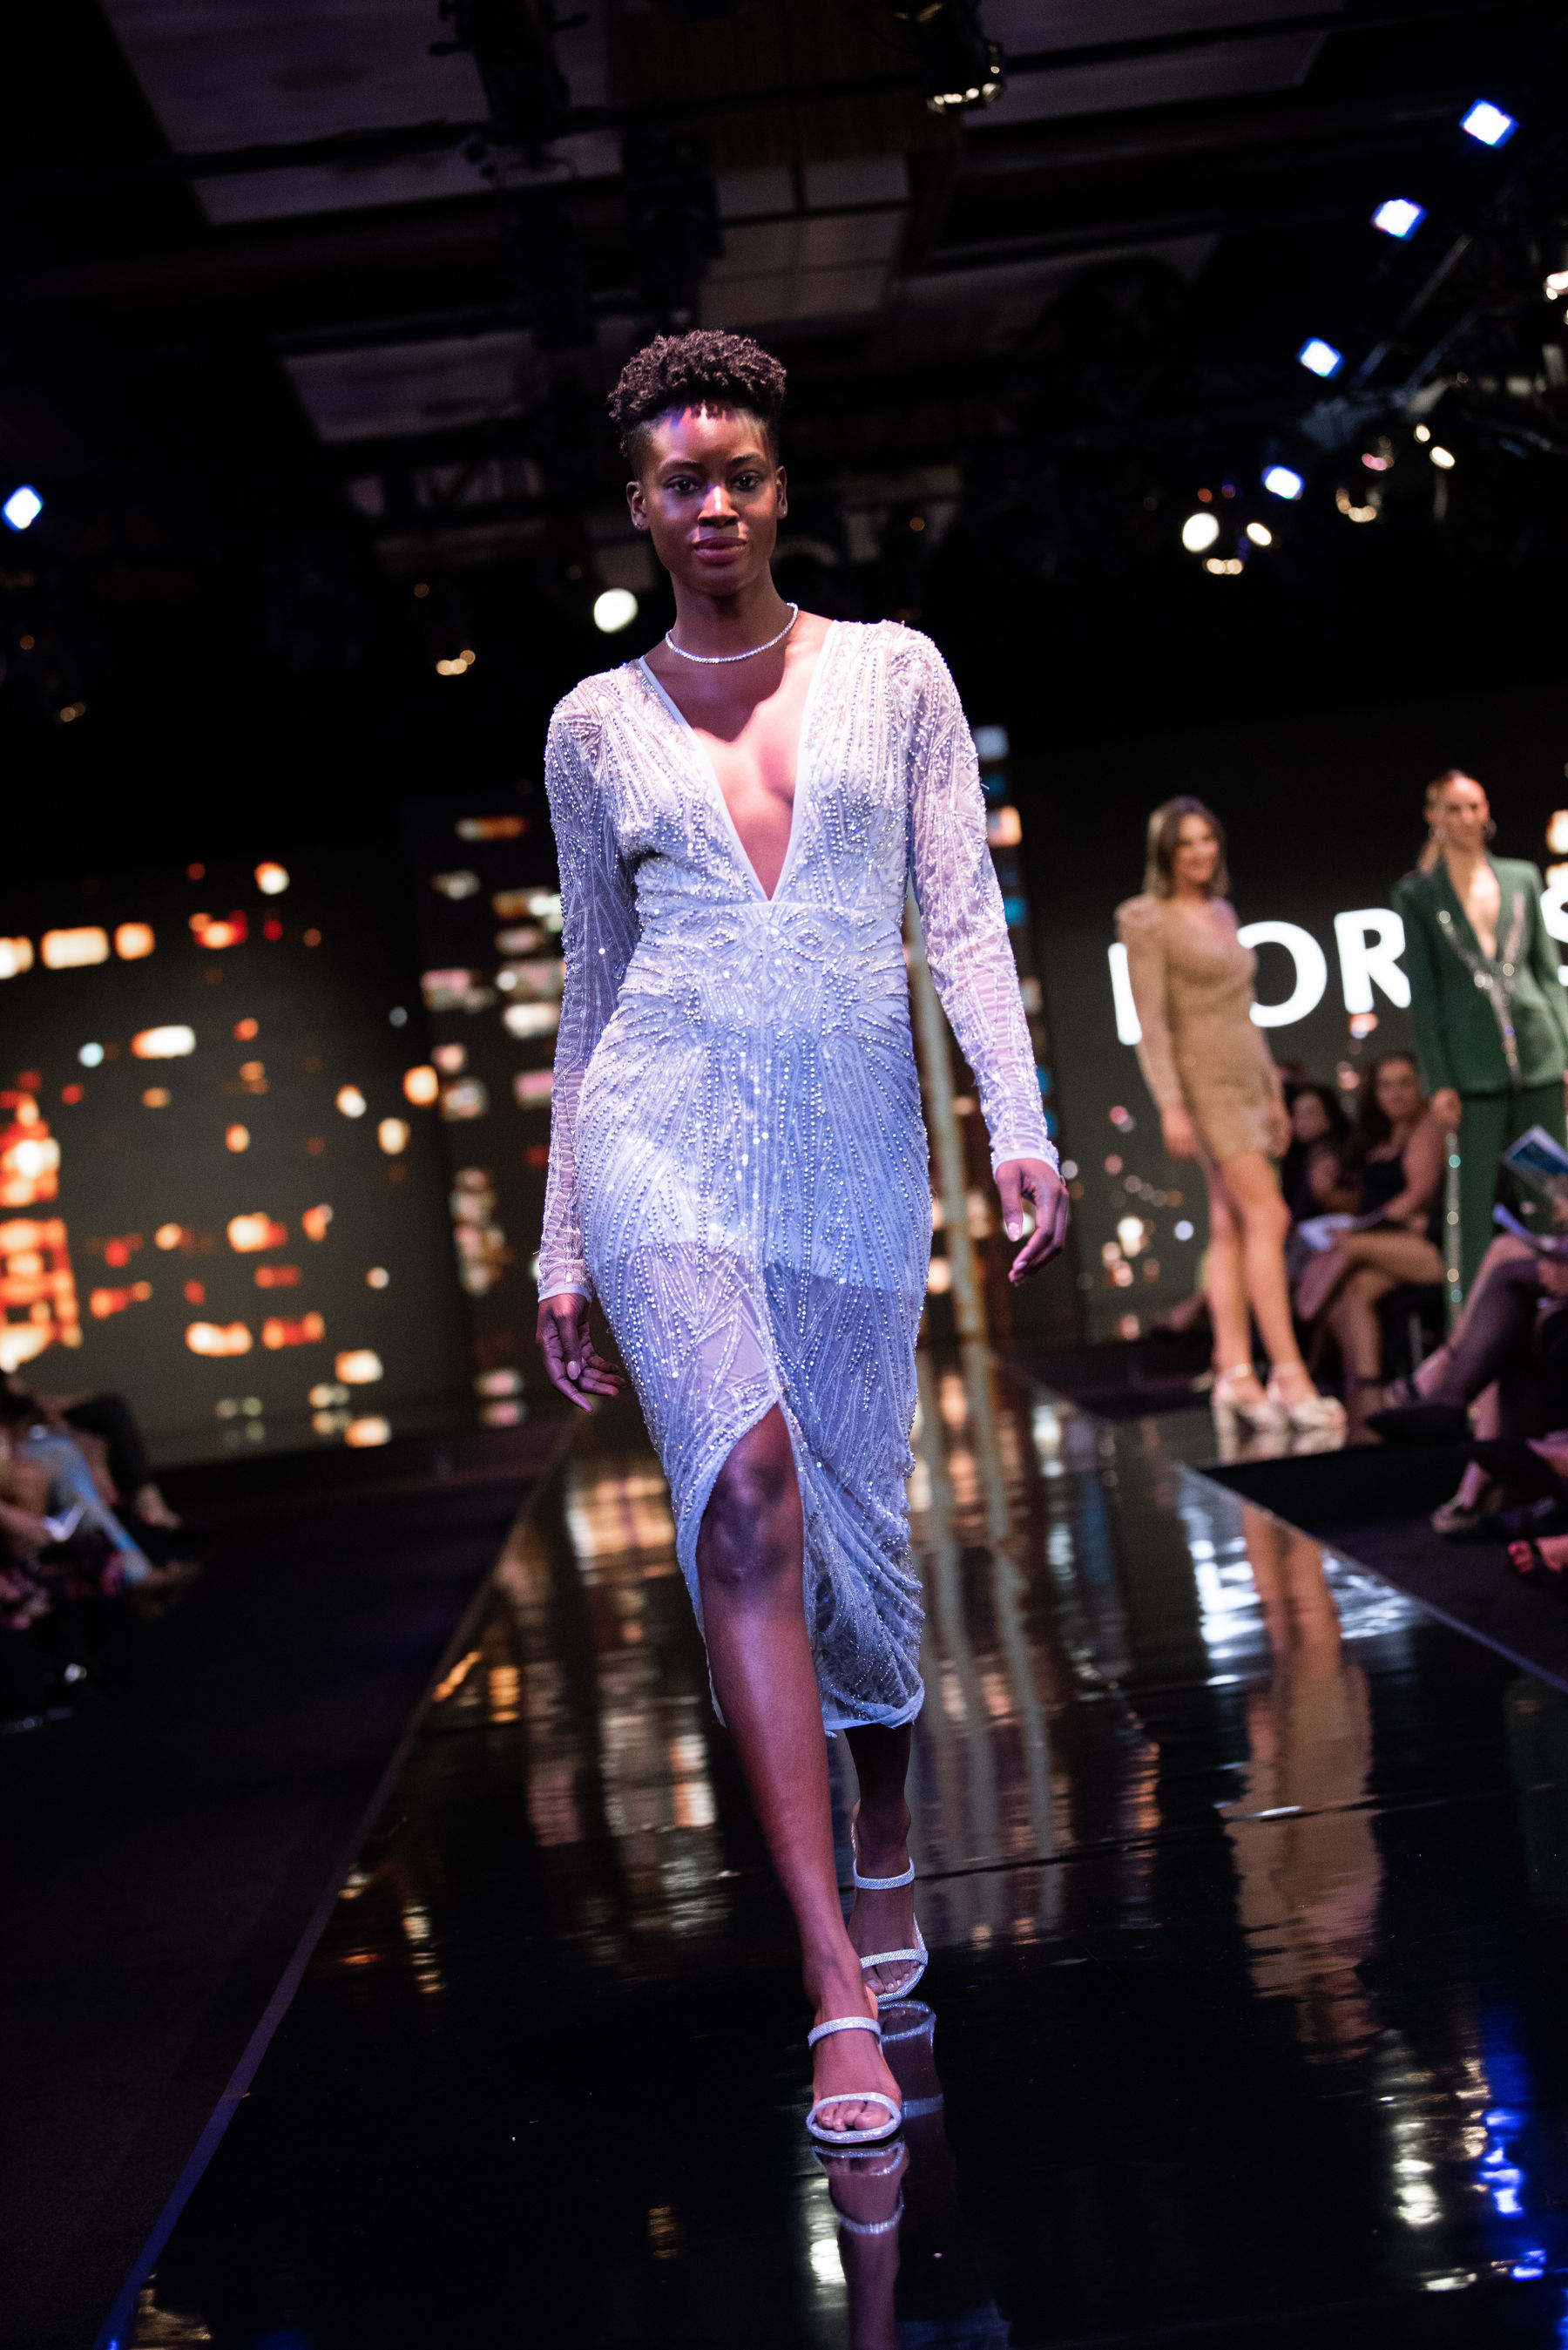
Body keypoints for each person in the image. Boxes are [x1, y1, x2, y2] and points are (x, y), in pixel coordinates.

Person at [532, 330, 1067, 2145]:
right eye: (680, 480)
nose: (715, 505)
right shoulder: (592, 726)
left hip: (854, 1153)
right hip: (659, 1139)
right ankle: (833, 1971)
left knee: (860, 1532)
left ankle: (889, 1814)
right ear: (638, 504)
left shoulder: (895, 671)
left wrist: (1020, 1121)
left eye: (741, 474)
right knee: (746, 1496)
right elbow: (591, 987)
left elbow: (963, 916)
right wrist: (560, 1240)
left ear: (781, 485)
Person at [1116, 800, 1343, 1440]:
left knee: (1231, 1224)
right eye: (1186, 843)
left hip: (1247, 1076)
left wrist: (1273, 1093)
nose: (1200, 852)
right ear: (1165, 852)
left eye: (1207, 839)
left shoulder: (1222, 912)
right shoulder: (1146, 919)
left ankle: (1235, 1371)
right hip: (1204, 1083)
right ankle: (1290, 1375)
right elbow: (1152, 1024)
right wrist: (1171, 1104)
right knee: (1269, 1215)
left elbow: (1245, 1013)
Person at [1394, 768, 1568, 1300]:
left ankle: (1557, 1312)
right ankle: (1467, 1329)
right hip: (1472, 1076)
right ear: (1434, 816)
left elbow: (1547, 974)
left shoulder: (1519, 876)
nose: (1467, 818)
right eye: (1454, 808)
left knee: (1554, 1196)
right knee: (1468, 1209)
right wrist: (1439, 1080)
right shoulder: (1419, 895)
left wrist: (1565, 1052)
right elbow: (1425, 995)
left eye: (1475, 806)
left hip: (1538, 1061)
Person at [1291, 1052, 1445, 1434]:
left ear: (1421, 1086)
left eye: (1405, 1083)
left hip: (1430, 1246)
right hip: (1389, 1247)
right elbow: (1368, 1202)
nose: (1396, 1094)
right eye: (1386, 1086)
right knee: (1355, 1291)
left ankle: (1302, 1315)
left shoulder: (1427, 1130)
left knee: (1348, 1247)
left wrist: (1364, 1226)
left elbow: (1418, 1195)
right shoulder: (1378, 1138)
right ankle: (1367, 1394)